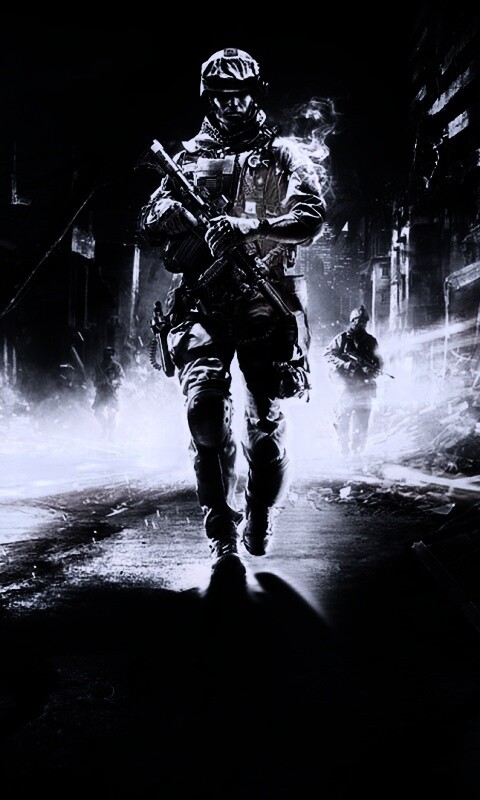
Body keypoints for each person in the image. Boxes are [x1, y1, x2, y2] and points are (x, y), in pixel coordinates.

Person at [138, 47, 326, 574]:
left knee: (264, 429)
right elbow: (147, 221)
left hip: (264, 301)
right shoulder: (188, 158)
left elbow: (311, 215)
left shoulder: (283, 155)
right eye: (221, 95)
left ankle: (260, 511)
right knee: (203, 413)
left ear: (255, 94)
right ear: (210, 98)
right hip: (202, 303)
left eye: (240, 94)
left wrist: (251, 227)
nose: (232, 104)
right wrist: (169, 213)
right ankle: (220, 527)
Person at [323, 305, 383, 458]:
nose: (361, 324)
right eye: (358, 321)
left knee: (363, 420)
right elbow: (328, 355)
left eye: (364, 322)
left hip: (364, 384)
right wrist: (344, 364)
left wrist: (373, 370)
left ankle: (358, 451)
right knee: (343, 418)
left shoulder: (371, 341)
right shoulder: (342, 339)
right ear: (352, 321)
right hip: (346, 384)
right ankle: (344, 449)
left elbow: (378, 362)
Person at [92, 346, 125, 441]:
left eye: (111, 354)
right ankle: (104, 427)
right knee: (97, 412)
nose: (109, 356)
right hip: (101, 392)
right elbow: (93, 379)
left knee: (112, 412)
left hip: (112, 393)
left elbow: (122, 378)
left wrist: (114, 382)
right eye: (107, 354)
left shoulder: (116, 366)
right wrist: (100, 382)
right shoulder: (98, 367)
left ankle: (111, 434)